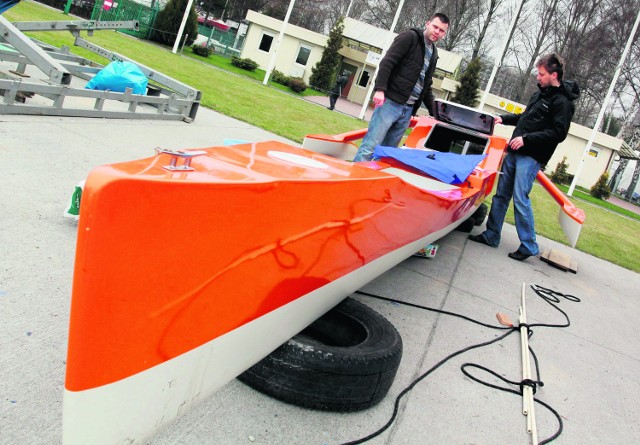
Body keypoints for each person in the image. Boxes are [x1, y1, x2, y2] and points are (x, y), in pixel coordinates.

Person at [469, 53, 580, 261]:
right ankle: (492, 235)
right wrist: (502, 118)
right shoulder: (539, 95)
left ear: (554, 75)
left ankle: (529, 245)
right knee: (501, 195)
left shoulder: (563, 102)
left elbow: (559, 133)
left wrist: (527, 140)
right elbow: (524, 117)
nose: (537, 77)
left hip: (531, 156)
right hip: (514, 151)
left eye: (541, 74)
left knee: (520, 199)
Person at [353, 12, 449, 162]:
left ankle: (372, 183)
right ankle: (354, 182)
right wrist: (380, 89)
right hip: (390, 103)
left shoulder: (434, 53)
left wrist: (436, 113)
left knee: (387, 154)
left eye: (442, 30)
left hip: (408, 109)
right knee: (370, 147)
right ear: (427, 23)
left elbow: (426, 85)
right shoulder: (409, 38)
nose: (437, 32)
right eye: (435, 27)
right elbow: (387, 62)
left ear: (444, 33)